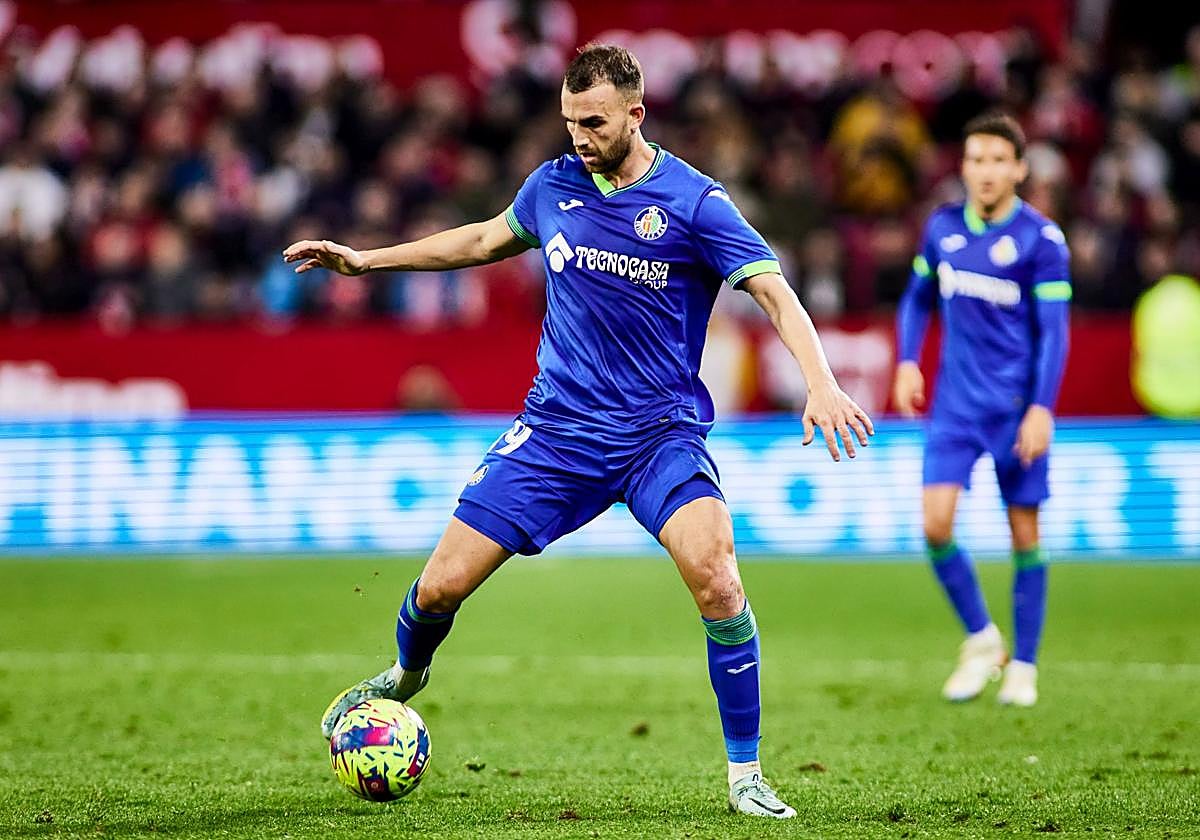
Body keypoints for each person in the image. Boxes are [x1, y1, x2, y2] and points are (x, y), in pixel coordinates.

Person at [284, 44, 872, 818]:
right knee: (439, 587)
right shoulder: (552, 185)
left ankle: (745, 776)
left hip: (659, 434)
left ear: (636, 113)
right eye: (568, 121)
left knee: (720, 580)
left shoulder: (694, 202)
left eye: (593, 122)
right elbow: (480, 240)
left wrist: (821, 381)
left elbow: (774, 293)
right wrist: (367, 262)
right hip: (558, 432)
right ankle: (403, 675)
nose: (578, 137)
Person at [893, 112, 1071, 708]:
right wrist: (908, 361)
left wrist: (1042, 408)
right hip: (954, 409)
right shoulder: (941, 229)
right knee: (935, 524)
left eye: (999, 160)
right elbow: (917, 300)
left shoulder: (1041, 241)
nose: (986, 171)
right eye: (976, 159)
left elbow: (1055, 334)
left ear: (1019, 168)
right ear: (963, 167)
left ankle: (1023, 664)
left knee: (1025, 534)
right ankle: (982, 637)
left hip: (1014, 410)